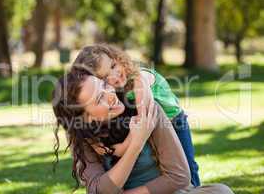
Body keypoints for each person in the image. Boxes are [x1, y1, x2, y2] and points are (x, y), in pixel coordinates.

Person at [52, 70, 234, 194]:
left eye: (104, 86)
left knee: (221, 192)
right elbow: (100, 190)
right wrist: (136, 144)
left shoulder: (145, 109)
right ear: (85, 119)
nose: (110, 95)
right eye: (99, 98)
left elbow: (179, 176)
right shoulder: (84, 140)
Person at [71, 44, 200, 186]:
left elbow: (144, 118)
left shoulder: (139, 80)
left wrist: (123, 148)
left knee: (188, 164)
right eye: (106, 76)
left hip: (174, 121)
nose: (115, 75)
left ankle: (194, 188)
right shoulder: (114, 92)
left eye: (113, 66)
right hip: (158, 128)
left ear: (119, 59)